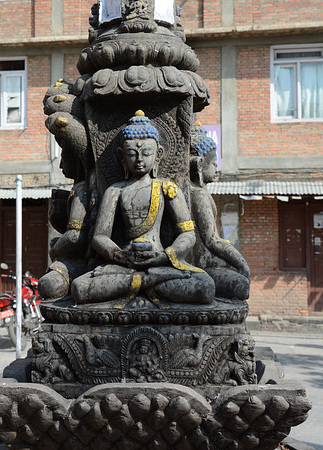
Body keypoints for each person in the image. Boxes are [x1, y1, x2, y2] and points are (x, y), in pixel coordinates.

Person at [71, 111, 215, 306]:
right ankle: (148, 283)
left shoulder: (167, 188)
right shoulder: (115, 191)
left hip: (161, 261)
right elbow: (99, 237)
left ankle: (141, 283)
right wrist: (120, 256)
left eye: (146, 153)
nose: (139, 159)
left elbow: (188, 234)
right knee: (80, 288)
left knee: (205, 287)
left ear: (159, 154)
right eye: (132, 153)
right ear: (122, 157)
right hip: (124, 263)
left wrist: (165, 256)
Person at [190, 125, 250, 300]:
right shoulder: (198, 194)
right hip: (199, 264)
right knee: (240, 285)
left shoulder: (201, 192)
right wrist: (241, 263)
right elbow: (211, 240)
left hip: (205, 261)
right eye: (214, 162)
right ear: (200, 164)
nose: (216, 167)